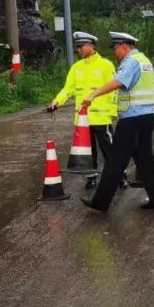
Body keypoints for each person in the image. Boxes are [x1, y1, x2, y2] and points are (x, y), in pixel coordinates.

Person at [80, 31, 154, 212]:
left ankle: (101, 202)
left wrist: (94, 94)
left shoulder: (130, 62)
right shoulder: (145, 61)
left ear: (124, 46)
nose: (115, 53)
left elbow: (118, 82)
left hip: (131, 120)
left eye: (116, 49)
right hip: (147, 117)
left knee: (115, 161)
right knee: (145, 159)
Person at [47, 31, 118, 189]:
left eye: (80, 46)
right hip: (83, 119)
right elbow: (68, 89)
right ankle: (91, 176)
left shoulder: (106, 65)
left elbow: (114, 90)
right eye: (76, 47)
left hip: (101, 118)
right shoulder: (76, 68)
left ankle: (119, 175)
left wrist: (113, 112)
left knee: (109, 149)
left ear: (90, 45)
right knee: (87, 151)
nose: (78, 50)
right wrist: (56, 102)